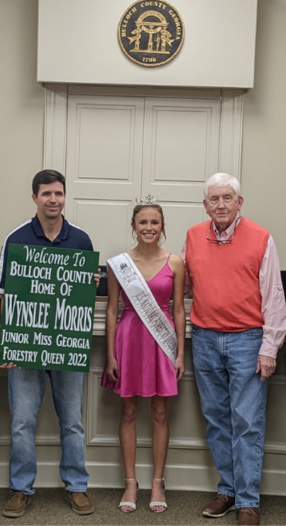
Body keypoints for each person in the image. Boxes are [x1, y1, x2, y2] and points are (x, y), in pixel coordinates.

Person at [182, 172, 286, 526]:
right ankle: (227, 489)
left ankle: (248, 500)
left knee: (247, 422)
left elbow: (274, 296)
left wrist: (269, 347)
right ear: (205, 205)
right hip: (205, 338)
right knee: (216, 420)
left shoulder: (261, 238)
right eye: (214, 199)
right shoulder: (193, 237)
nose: (221, 205)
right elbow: (180, 286)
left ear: (240, 202)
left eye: (228, 198)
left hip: (248, 339)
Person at [0, 169, 96, 519]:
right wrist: (10, 343)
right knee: (22, 422)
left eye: (59, 193)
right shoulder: (17, 238)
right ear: (34, 197)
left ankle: (77, 486)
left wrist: (92, 280)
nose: (53, 199)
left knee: (73, 421)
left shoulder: (80, 239)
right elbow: (6, 296)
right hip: (25, 348)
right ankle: (20, 488)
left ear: (64, 196)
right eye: (46, 194)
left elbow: (84, 294)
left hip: (66, 346)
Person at [102, 199, 186, 514]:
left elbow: (178, 310)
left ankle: (158, 481)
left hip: (161, 343)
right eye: (143, 223)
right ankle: (130, 481)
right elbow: (112, 310)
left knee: (161, 413)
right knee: (127, 413)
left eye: (155, 222)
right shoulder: (118, 263)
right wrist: (110, 354)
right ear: (134, 226)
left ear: (162, 227)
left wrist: (180, 352)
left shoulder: (176, 262)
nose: (149, 228)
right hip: (128, 340)